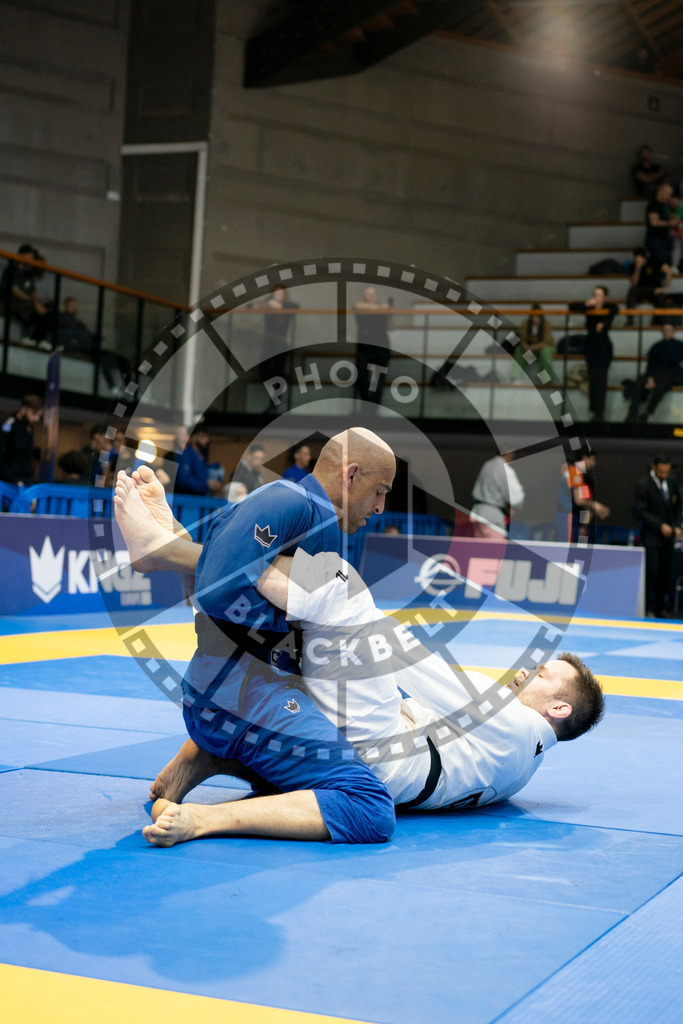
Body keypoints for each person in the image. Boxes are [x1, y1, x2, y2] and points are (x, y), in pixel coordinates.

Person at [114, 480, 604, 847]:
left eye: (541, 675)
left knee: (340, 588)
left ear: (558, 709)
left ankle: (172, 550)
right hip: (391, 740)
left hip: (389, 752)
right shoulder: (521, 760)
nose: (526, 671)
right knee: (279, 636)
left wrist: (370, 631)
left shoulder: (520, 729)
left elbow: (423, 672)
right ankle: (186, 550)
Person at [114, 428, 398, 844]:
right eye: (380, 491)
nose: (381, 506)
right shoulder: (293, 502)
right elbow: (216, 590)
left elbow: (213, 600)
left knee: (307, 774)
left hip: (232, 695)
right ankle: (203, 819)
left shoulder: (310, 514)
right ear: (351, 475)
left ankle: (207, 757)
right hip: (250, 699)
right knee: (368, 805)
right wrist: (162, 551)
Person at [632, 455, 682, 618]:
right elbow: (639, 511)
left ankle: (661, 608)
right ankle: (649, 608)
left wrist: (677, 526)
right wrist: (660, 526)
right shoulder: (644, 484)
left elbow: (678, 507)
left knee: (666, 572)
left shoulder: (672, 482)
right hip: (651, 536)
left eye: (666, 472)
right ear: (654, 467)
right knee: (652, 572)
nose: (664, 475)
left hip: (669, 536)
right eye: (661, 472)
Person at [56, 297, 130, 393]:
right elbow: (66, 338)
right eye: (71, 305)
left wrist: (95, 338)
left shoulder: (78, 323)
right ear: (65, 306)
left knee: (123, 360)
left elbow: (88, 335)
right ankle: (112, 386)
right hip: (83, 350)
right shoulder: (62, 319)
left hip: (93, 348)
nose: (74, 308)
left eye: (75, 306)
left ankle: (131, 391)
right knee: (105, 360)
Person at [568, 286, 619, 422]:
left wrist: (603, 323)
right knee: (592, 378)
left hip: (603, 345)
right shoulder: (589, 307)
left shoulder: (609, 307)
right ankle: (592, 410)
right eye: (595, 294)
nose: (597, 297)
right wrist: (586, 304)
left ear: (605, 297)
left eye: (600, 295)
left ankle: (599, 412)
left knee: (601, 379)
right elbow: (571, 306)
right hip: (591, 344)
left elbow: (615, 309)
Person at [625, 324, 683, 422]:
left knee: (660, 387)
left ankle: (647, 413)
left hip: (671, 374)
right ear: (662, 332)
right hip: (654, 373)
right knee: (639, 384)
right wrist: (650, 378)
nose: (667, 332)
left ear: (674, 332)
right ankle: (631, 415)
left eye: (669, 330)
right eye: (665, 330)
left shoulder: (680, 345)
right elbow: (651, 364)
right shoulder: (656, 346)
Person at [0, 245, 51, 348]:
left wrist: (38, 304)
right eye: (30, 257)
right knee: (31, 307)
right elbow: (14, 290)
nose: (31, 260)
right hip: (10, 300)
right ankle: (25, 336)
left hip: (26, 302)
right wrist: (31, 301)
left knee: (46, 310)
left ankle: (39, 339)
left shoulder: (27, 273)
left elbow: (33, 292)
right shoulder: (11, 269)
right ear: (23, 255)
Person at [469, 450, 524, 539]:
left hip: (478, 513)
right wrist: (513, 506)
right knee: (496, 551)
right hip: (493, 516)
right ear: (509, 453)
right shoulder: (505, 468)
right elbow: (516, 497)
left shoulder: (487, 464)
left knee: (479, 550)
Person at [353, 286, 392, 404]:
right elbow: (357, 306)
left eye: (373, 294)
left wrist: (387, 310)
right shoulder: (360, 306)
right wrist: (380, 308)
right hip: (365, 348)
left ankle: (375, 404)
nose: (372, 297)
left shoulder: (382, 309)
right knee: (362, 377)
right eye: (369, 295)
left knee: (379, 378)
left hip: (381, 347)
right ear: (363, 297)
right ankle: (365, 403)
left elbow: (390, 322)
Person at [259, 286, 300, 386]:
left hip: (281, 342)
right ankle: (274, 388)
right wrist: (270, 304)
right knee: (264, 370)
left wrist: (280, 307)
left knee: (279, 369)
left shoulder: (289, 306)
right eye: (276, 293)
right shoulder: (268, 305)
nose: (278, 295)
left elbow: (296, 307)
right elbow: (251, 306)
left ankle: (276, 394)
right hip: (269, 341)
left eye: (281, 293)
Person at [0, 394, 43, 485]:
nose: (36, 418)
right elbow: (1, 456)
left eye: (38, 415)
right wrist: (13, 479)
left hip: (26, 479)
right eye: (34, 414)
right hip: (10, 481)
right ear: (23, 409)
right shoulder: (8, 425)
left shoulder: (29, 427)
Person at [624, 248, 672, 326]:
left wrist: (664, 288)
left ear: (644, 258)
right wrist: (638, 267)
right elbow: (634, 283)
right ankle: (630, 320)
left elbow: (669, 271)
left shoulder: (654, 262)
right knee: (632, 291)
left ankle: (665, 322)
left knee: (661, 297)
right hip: (640, 289)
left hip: (654, 289)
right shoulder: (633, 266)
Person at [175, 424, 224, 496]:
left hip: (201, 500)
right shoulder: (186, 455)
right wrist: (206, 485)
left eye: (207, 437)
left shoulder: (202, 457)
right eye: (203, 436)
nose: (206, 440)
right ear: (194, 437)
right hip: (187, 501)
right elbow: (183, 481)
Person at [511, 304, 555, 380]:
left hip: (544, 348)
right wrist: (525, 346)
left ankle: (546, 380)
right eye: (533, 317)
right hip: (531, 350)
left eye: (537, 317)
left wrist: (535, 347)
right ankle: (515, 376)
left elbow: (547, 341)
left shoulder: (546, 324)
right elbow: (522, 339)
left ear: (541, 317)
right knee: (519, 350)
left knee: (545, 352)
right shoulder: (525, 324)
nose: (535, 319)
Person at [645, 183, 679, 269]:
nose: (669, 197)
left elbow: (672, 217)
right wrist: (669, 223)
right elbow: (654, 222)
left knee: (665, 261)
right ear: (660, 192)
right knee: (661, 262)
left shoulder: (664, 206)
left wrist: (674, 207)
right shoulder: (654, 205)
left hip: (663, 239)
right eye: (667, 194)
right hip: (655, 239)